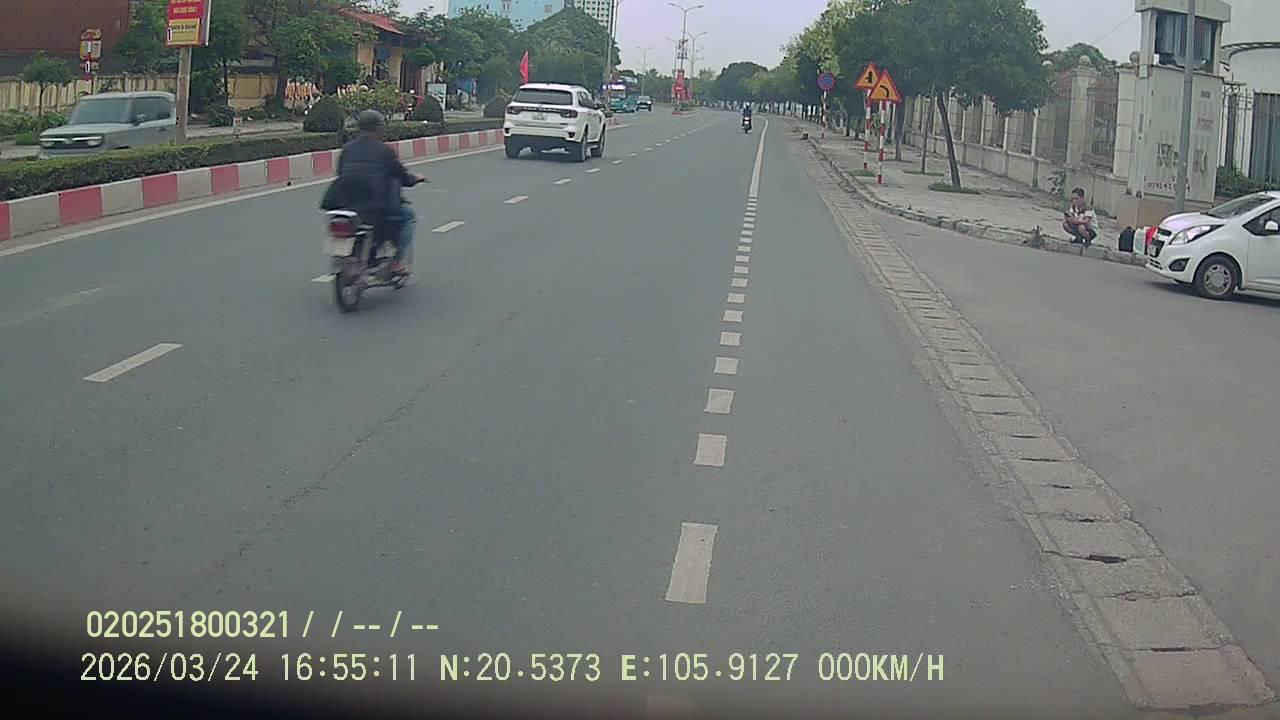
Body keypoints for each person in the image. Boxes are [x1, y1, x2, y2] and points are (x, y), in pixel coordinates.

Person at [327, 110, 424, 274]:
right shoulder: (384, 151)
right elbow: (401, 176)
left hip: (346, 205)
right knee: (408, 215)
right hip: (374, 207)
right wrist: (415, 179)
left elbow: (341, 174)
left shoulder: (347, 149)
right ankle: (398, 262)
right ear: (379, 128)